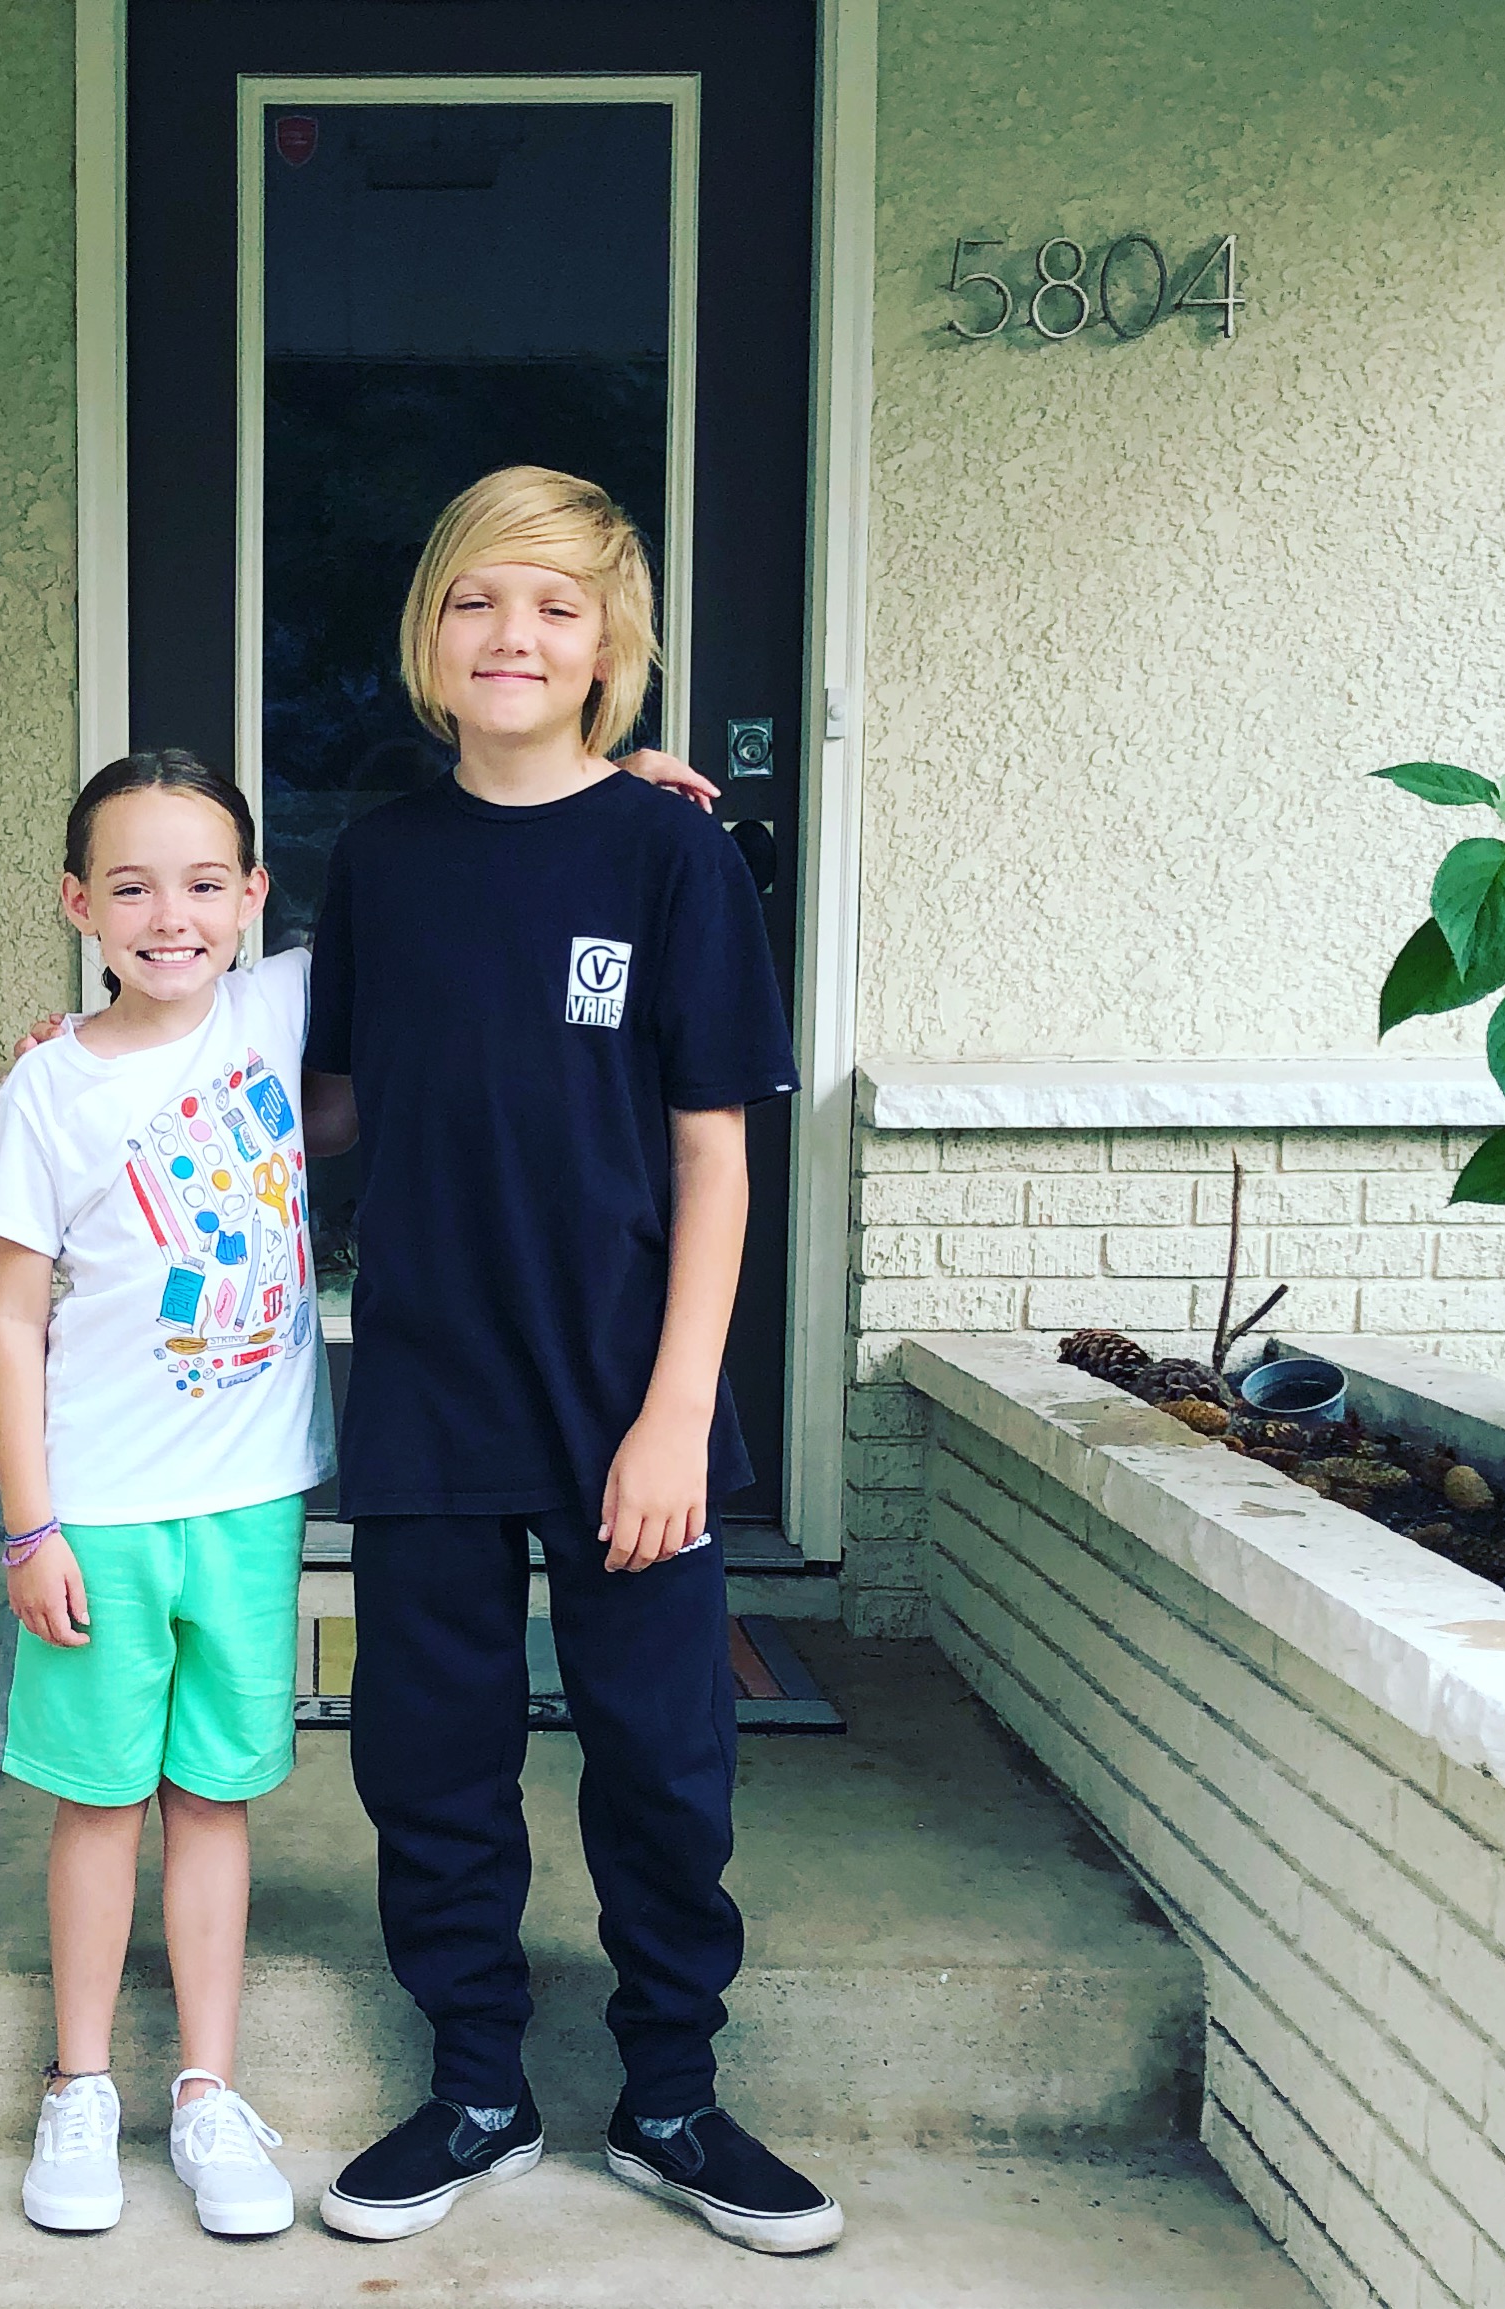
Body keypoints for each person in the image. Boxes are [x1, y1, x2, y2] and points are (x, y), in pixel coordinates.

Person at [303, 466, 844, 2256]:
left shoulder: (673, 854)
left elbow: (713, 1158)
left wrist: (678, 1412)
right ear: (429, 633)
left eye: (553, 606)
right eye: (476, 598)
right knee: (429, 1762)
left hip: (630, 1395)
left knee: (665, 1764)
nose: (511, 634)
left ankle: (670, 2092)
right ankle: (477, 2084)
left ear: (611, 645)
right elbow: (324, 1102)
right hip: (431, 1384)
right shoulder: (383, 858)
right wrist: (109, 1050)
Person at [0, 750, 332, 2239]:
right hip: (101, 1509)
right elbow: (11, 1317)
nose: (169, 916)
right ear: (78, 904)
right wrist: (31, 1522)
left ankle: (205, 2090)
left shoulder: (280, 1008)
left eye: (202, 884)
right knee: (101, 1799)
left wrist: (622, 778)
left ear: (252, 897)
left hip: (250, 1499)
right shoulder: (49, 1083)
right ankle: (77, 2084)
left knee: (212, 1795)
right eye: (130, 887)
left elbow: (480, 880)